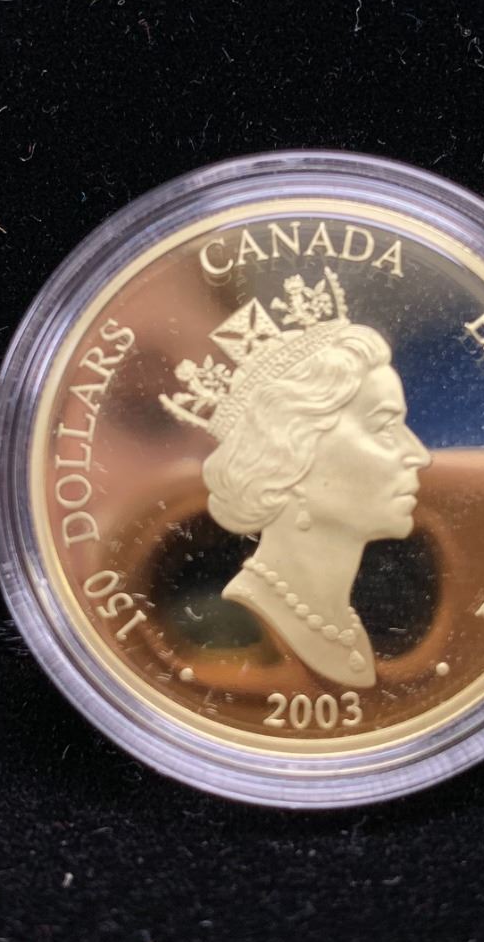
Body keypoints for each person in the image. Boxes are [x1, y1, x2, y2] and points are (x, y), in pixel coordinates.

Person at [163, 269, 431, 687]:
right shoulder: (236, 621)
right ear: (291, 455)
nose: (419, 455)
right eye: (384, 426)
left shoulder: (343, 622)